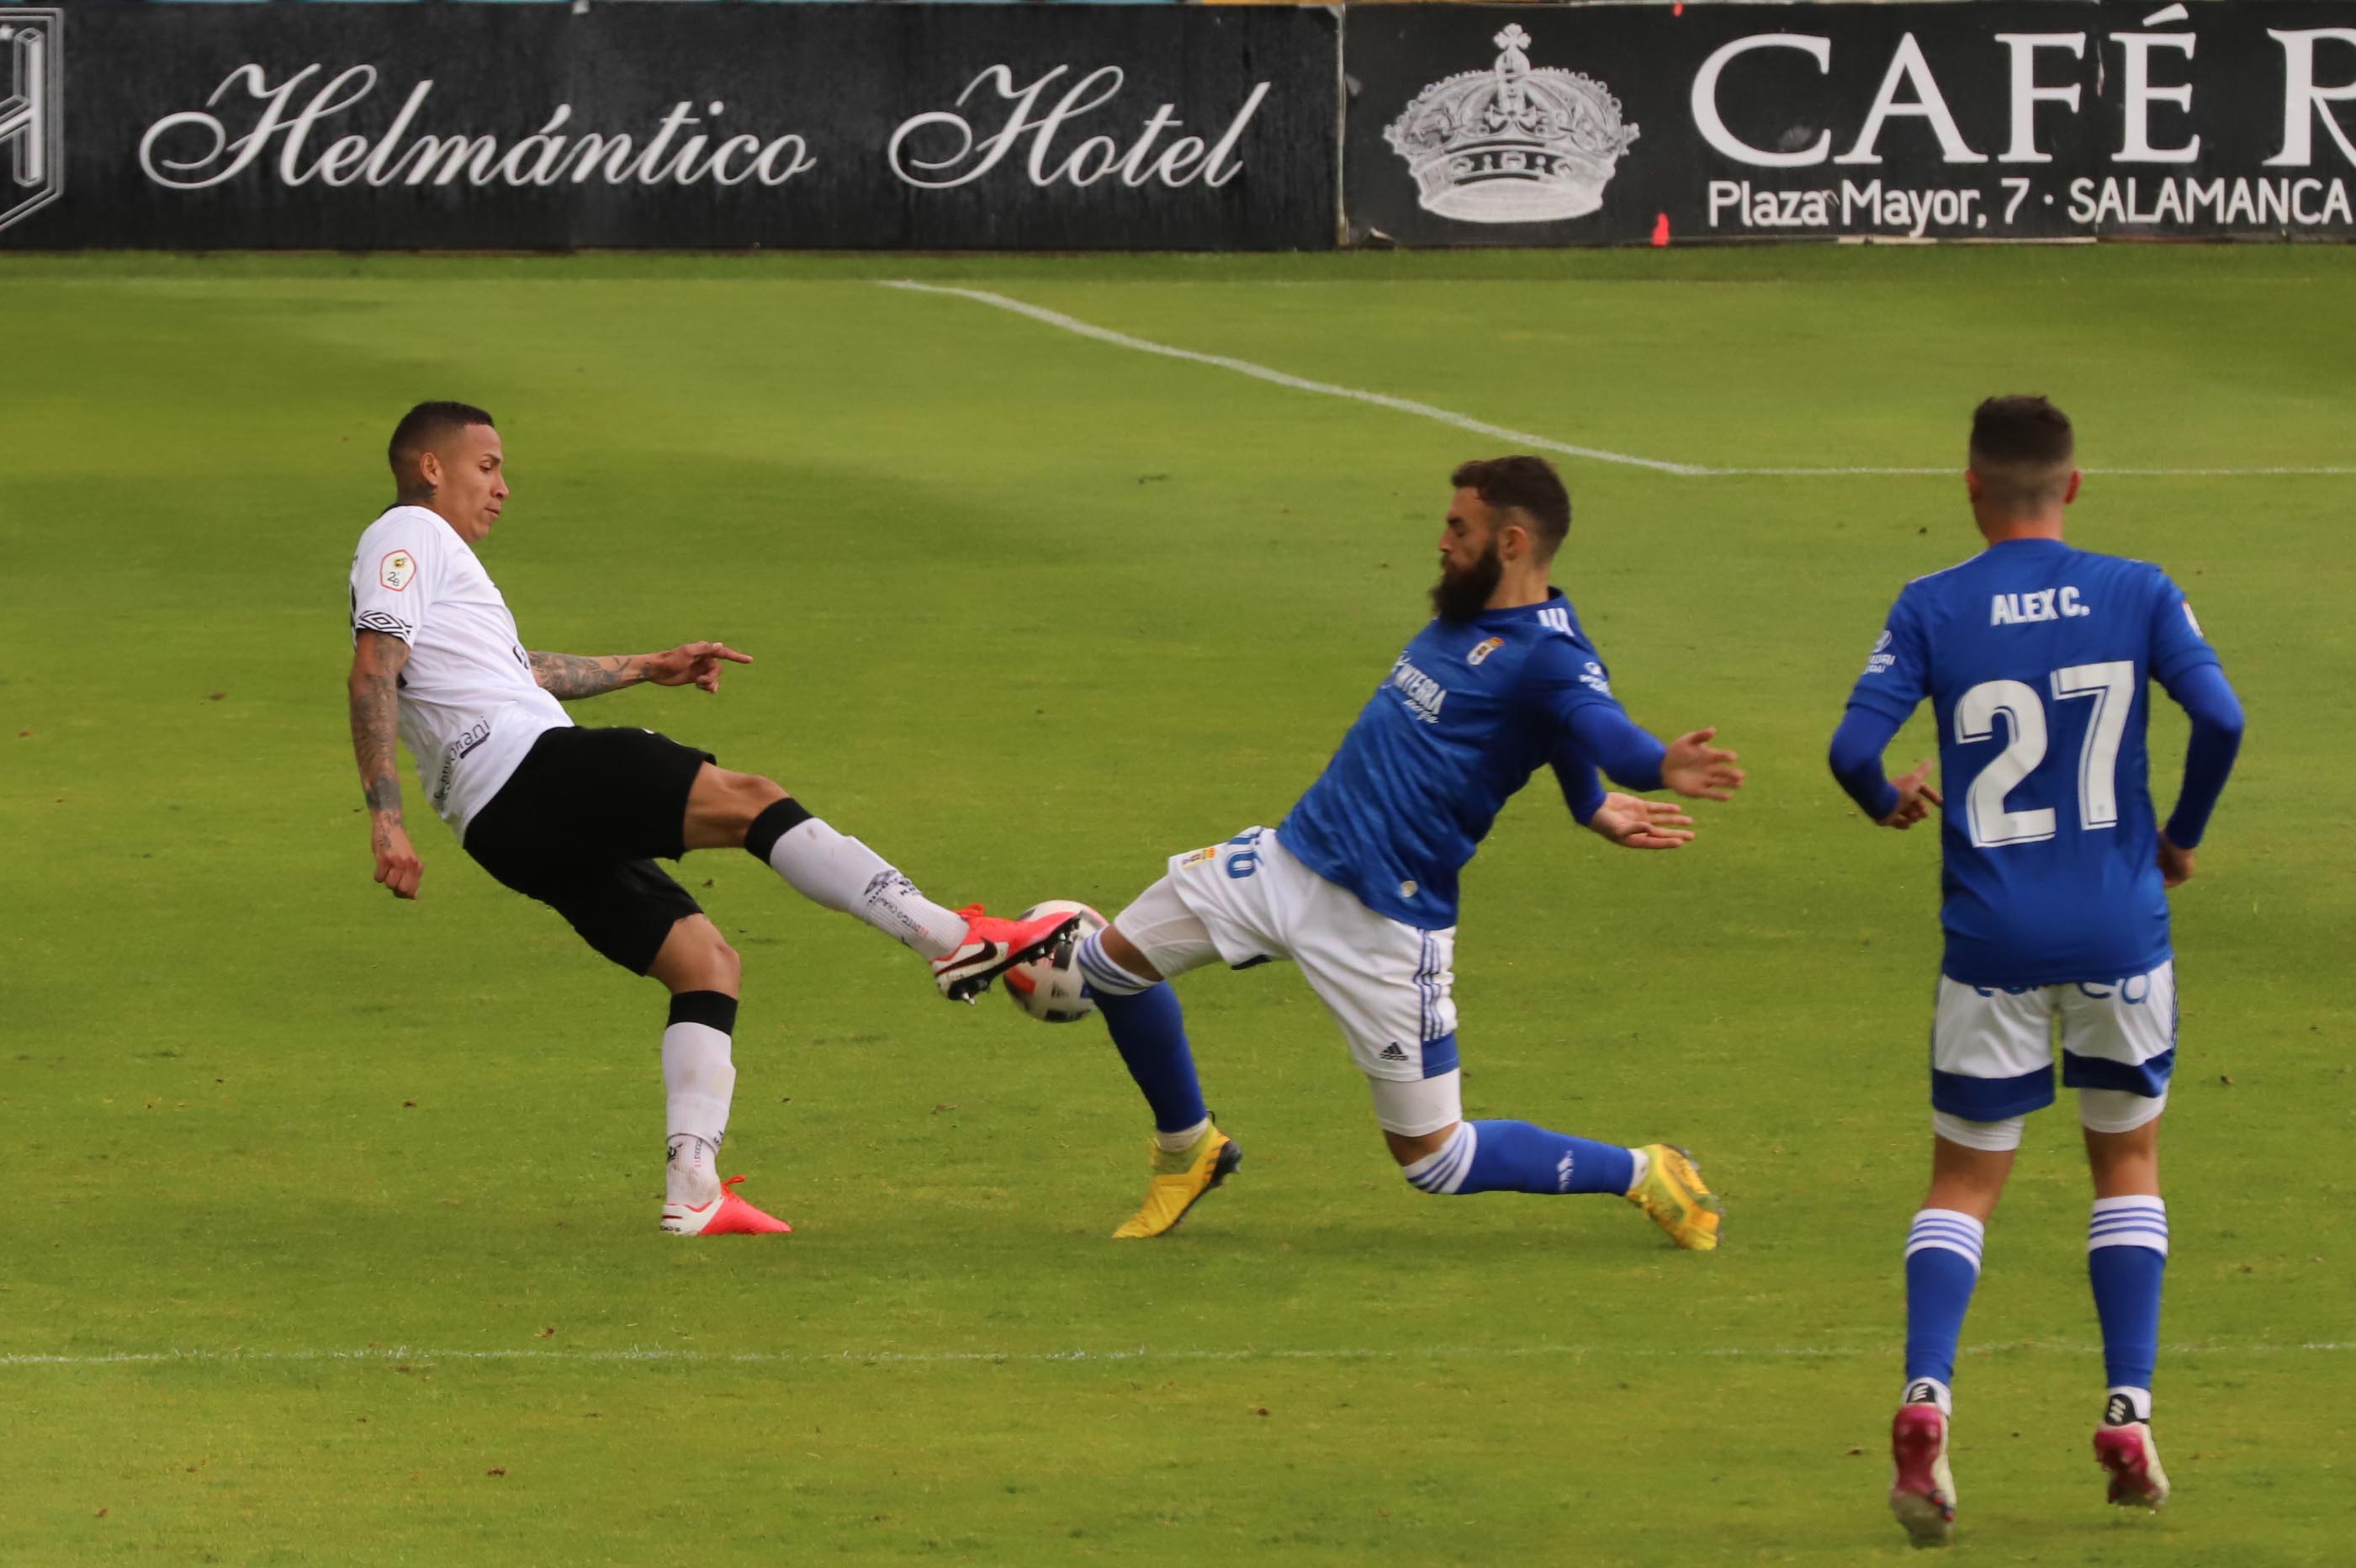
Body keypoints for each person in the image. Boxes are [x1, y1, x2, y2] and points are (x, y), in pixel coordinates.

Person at [345, 401, 1080, 1237]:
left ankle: (692, 1189)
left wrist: (643, 665)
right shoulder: (407, 535)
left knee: (705, 962)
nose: (503, 488)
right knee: (752, 799)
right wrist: (384, 818)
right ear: (432, 466)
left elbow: (516, 671)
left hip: (502, 825)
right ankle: (950, 939)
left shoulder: (435, 563)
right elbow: (373, 668)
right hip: (529, 770)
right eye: (487, 467)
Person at [1072, 456, 1742, 1247]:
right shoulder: (1464, 613)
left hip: (1383, 923)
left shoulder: (1554, 655)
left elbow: (1597, 727)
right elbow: (1549, 727)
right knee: (1108, 966)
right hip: (1288, 862)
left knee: (1435, 1159)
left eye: (1460, 528)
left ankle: (1644, 1170)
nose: (1442, 540)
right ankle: (1191, 1150)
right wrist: (1587, 802)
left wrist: (1654, 767)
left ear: (1513, 542)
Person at [1827, 396, 2243, 1544]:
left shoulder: (1931, 604)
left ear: (1968, 486)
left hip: (1991, 946)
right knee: (2126, 1165)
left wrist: (1887, 801)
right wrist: (2183, 833)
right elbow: (2222, 714)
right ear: (2074, 487)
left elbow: (1850, 750)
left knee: (1962, 1185)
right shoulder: (2138, 590)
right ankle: (2126, 1412)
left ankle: (1925, 1397)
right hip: (2120, 935)